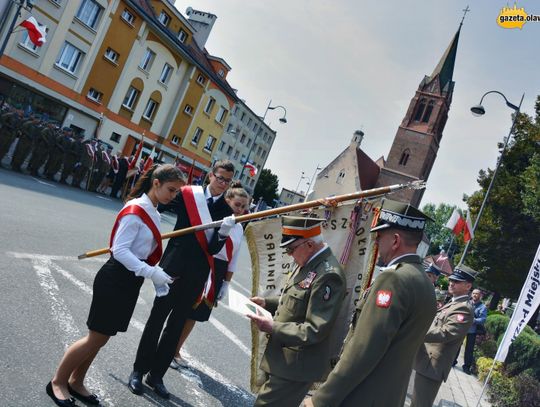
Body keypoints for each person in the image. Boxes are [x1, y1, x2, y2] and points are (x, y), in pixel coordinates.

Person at [46, 164, 184, 407]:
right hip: (115, 278)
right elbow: (119, 250)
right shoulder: (135, 211)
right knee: (94, 338)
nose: (173, 196)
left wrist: (152, 272)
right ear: (156, 183)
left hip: (130, 280)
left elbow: (141, 252)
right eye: (171, 190)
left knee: (103, 337)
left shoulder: (153, 211)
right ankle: (57, 382)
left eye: (176, 192)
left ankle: (77, 381)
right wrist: (151, 271)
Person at [306, 199, 437, 407]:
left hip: (361, 395)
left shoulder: (394, 279)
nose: (375, 242)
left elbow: (364, 348)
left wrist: (321, 399)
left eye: (379, 236)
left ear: (395, 240)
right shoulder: (426, 284)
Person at [128, 160, 236, 399]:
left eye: (227, 181)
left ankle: (156, 375)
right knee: (156, 321)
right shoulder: (188, 195)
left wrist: (224, 233)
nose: (223, 184)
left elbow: (212, 248)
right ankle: (139, 370)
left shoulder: (226, 211)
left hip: (196, 274)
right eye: (220, 178)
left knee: (175, 327)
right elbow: (158, 202)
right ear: (211, 175)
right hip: (172, 268)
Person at [248, 215, 346, 407]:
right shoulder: (310, 263)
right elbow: (296, 302)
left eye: (291, 249)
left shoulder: (328, 275)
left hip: (296, 365)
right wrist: (266, 303)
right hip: (284, 360)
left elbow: (315, 328)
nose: (289, 254)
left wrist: (273, 327)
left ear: (309, 244)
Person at [170, 182, 250, 369]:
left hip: (219, 272)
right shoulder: (215, 217)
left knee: (196, 314)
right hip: (204, 265)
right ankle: (168, 348)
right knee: (182, 309)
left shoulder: (239, 228)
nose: (240, 210)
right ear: (227, 200)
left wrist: (226, 284)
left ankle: (176, 350)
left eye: (244, 207)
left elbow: (233, 259)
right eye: (237, 205)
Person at [410, 265, 476, 407]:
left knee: (419, 404)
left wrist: (416, 330)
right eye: (452, 279)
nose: (451, 283)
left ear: (468, 286)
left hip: (432, 366)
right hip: (424, 359)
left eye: (457, 281)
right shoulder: (454, 303)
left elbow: (446, 333)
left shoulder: (464, 308)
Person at [461, 288, 487, 374]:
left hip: (472, 330)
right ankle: (452, 361)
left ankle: (466, 367)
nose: (475, 295)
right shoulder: (467, 302)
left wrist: (474, 320)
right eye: (473, 293)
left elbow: (483, 319)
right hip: (462, 327)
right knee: (456, 345)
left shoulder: (482, 307)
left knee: (469, 349)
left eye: (477, 294)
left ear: (480, 296)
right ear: (471, 294)